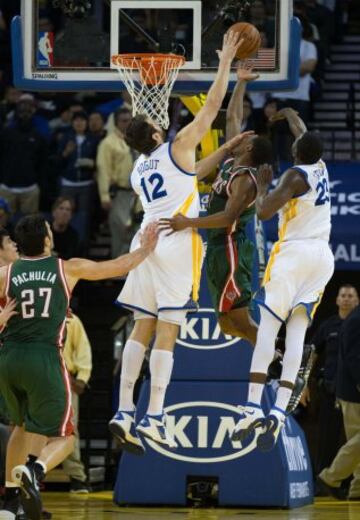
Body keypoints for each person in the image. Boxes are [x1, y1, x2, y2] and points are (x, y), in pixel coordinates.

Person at [109, 31, 243, 453]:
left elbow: (190, 172)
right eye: (153, 122)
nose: (160, 117)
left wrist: (224, 152)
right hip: (173, 238)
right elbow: (214, 109)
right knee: (168, 330)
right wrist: (224, 64)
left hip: (143, 239)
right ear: (152, 135)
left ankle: (125, 411)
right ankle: (155, 416)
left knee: (140, 327)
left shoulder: (140, 167)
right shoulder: (177, 145)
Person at [0, 214, 158, 520]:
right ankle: (35, 469)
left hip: (8, 360)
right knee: (66, 437)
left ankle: (9, 502)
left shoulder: (6, 274)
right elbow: (117, 266)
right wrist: (146, 248)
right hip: (43, 357)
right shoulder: (67, 267)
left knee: (19, 427)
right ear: (47, 240)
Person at [231, 107, 334, 450]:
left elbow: (262, 211)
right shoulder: (320, 167)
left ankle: (250, 407)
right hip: (322, 257)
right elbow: (302, 130)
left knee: (268, 330)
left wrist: (262, 186)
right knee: (297, 334)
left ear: (295, 153)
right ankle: (276, 413)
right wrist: (289, 114)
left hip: (294, 254)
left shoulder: (293, 176)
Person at [160, 63, 267, 344]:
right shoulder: (231, 160)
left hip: (233, 248)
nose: (243, 134)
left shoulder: (245, 178)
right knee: (227, 325)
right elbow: (233, 116)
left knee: (242, 320)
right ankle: (276, 356)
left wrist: (187, 223)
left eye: (249, 137)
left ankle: (281, 360)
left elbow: (227, 218)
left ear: (250, 149)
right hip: (220, 248)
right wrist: (241, 82)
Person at [312, 285, 359, 474]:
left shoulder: (356, 322)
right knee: (327, 438)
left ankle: (347, 482)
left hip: (354, 392)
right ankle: (323, 481)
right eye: (343, 295)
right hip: (331, 390)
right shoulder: (328, 325)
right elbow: (312, 352)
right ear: (337, 300)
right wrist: (303, 382)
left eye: (351, 296)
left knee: (352, 439)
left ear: (357, 300)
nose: (346, 299)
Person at [317, 303, 360, 500]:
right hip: (353, 392)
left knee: (356, 443)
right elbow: (353, 358)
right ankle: (330, 477)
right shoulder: (355, 320)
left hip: (353, 391)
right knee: (357, 442)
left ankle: (356, 489)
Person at [96, 106, 138, 258]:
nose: (127, 124)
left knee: (137, 232)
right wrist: (104, 195)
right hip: (120, 192)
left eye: (129, 121)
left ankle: (134, 270)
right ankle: (118, 271)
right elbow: (103, 169)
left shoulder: (137, 140)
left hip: (139, 194)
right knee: (121, 231)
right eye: (124, 121)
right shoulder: (108, 143)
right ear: (116, 122)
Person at [62, 313, 92, 494]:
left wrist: (82, 378)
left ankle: (76, 477)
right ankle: (22, 475)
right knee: (28, 428)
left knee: (69, 429)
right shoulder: (28, 313)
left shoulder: (71, 319)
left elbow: (83, 348)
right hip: (33, 375)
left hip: (65, 379)